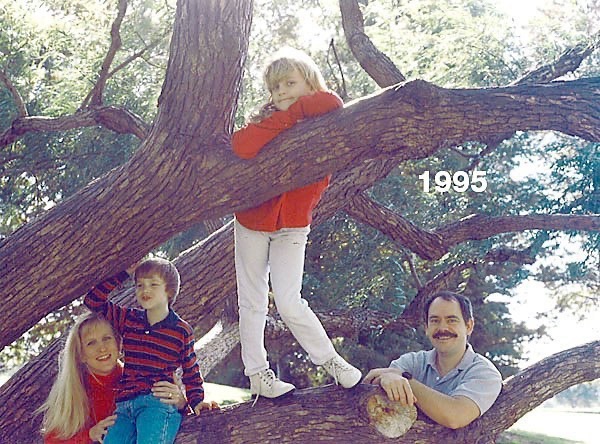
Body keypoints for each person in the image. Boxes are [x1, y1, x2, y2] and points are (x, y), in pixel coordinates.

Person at [232, 47, 362, 401]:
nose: (282, 93)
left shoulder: (325, 120)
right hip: (252, 222)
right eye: (275, 88)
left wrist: (297, 112)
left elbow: (332, 101)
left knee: (290, 301)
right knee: (253, 300)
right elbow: (242, 146)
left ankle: (331, 362)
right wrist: (286, 117)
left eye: (290, 83)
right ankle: (258, 374)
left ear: (309, 82)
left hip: (292, 226)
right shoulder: (267, 122)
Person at [84, 258, 217, 443]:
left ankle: (171, 418)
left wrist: (196, 401)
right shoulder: (129, 319)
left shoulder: (181, 330)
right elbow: (93, 301)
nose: (145, 290)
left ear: (169, 291)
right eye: (139, 285)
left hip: (156, 404)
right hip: (124, 407)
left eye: (153, 284)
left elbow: (191, 372)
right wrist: (125, 273)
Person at [38, 312, 188, 443]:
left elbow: (163, 418)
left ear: (119, 344)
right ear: (81, 355)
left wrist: (181, 404)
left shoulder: (142, 378)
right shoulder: (72, 390)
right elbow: (52, 440)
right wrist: (89, 435)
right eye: (91, 343)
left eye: (107, 338)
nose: (102, 348)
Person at [363, 291, 502, 429]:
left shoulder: (485, 373)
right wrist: (383, 379)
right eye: (435, 320)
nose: (442, 328)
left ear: (469, 326)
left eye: (451, 320)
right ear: (426, 328)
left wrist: (406, 380)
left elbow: (455, 417)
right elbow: (376, 388)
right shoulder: (412, 361)